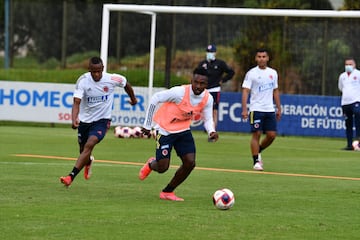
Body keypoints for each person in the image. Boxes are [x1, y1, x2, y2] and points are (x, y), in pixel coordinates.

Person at [138, 67, 219, 201]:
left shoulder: (208, 98)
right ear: (191, 80)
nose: (198, 86)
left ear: (207, 84)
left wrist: (211, 131)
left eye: (202, 83)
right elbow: (155, 98)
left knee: (190, 163)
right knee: (163, 167)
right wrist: (147, 125)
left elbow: (208, 118)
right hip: (164, 129)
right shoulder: (179, 92)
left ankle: (167, 192)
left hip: (183, 130)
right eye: (196, 82)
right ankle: (151, 164)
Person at [60, 57, 138, 187]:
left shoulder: (112, 79)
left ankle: (70, 176)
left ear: (103, 69)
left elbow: (126, 85)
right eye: (93, 72)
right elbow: (76, 102)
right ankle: (88, 161)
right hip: (85, 121)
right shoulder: (83, 81)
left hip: (102, 120)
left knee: (90, 145)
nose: (96, 75)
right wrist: (74, 119)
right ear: (89, 70)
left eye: (99, 71)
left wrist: (133, 99)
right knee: (83, 151)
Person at [241, 48, 281, 171]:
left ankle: (258, 150)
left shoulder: (273, 73)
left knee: (272, 135)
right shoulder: (251, 73)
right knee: (256, 134)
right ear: (256, 58)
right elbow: (245, 91)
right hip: (256, 109)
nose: (261, 59)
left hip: (269, 109)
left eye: (264, 56)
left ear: (268, 58)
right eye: (259, 56)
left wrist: (279, 107)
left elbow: (275, 90)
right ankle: (256, 161)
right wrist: (244, 109)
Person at [197, 44, 235, 132]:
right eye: (208, 52)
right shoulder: (202, 64)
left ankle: (212, 130)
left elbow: (231, 72)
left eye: (211, 52)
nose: (209, 53)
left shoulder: (220, 63)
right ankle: (207, 126)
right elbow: (197, 74)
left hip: (214, 89)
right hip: (204, 90)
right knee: (204, 110)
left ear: (215, 53)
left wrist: (223, 80)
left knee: (214, 110)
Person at [338, 57, 360, 150]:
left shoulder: (358, 74)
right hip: (345, 102)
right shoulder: (342, 76)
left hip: (356, 100)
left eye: (350, 64)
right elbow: (340, 87)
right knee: (348, 123)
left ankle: (359, 141)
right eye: (346, 64)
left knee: (358, 116)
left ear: (354, 65)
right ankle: (349, 145)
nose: (348, 66)